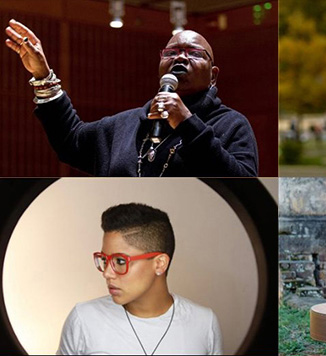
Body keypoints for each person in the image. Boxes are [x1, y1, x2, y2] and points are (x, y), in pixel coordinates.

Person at [4, 19, 258, 177]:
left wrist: (187, 124)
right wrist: (43, 75)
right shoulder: (126, 124)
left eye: (194, 53)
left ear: (213, 76)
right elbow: (72, 140)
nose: (180, 57)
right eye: (172, 52)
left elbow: (243, 188)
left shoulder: (232, 125)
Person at [57, 203, 222, 355]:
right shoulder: (84, 319)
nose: (107, 273)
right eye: (105, 260)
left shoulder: (204, 322)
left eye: (120, 261)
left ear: (159, 264)